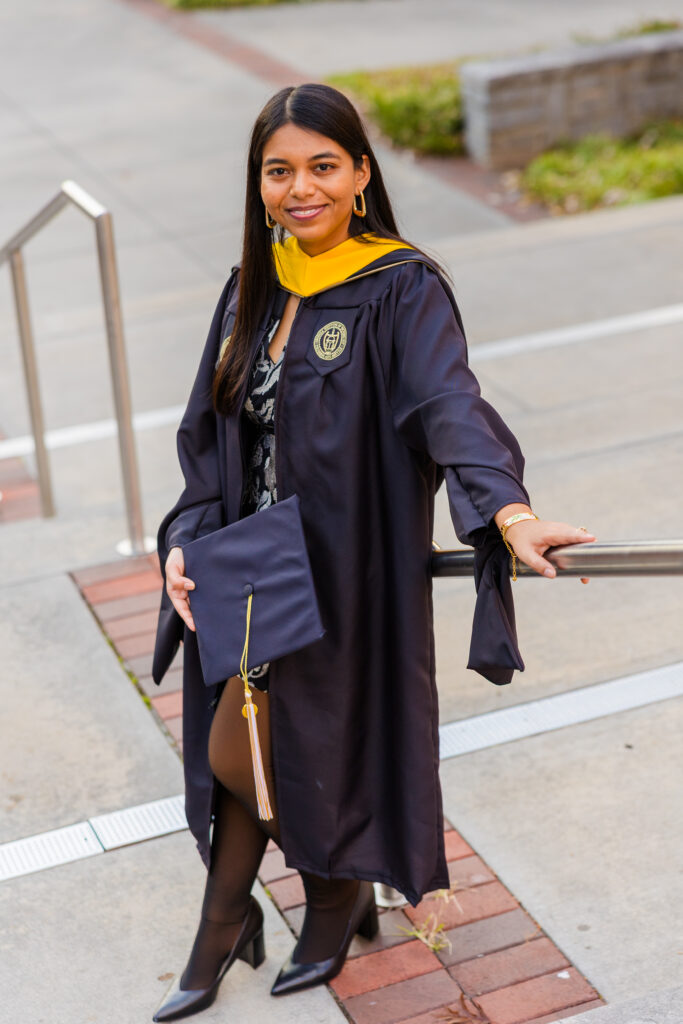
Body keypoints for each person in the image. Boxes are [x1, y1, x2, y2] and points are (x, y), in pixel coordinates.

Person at [150, 82, 595, 1021]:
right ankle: (243, 914)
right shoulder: (251, 285)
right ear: (257, 182)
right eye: (279, 170)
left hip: (341, 564)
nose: (299, 188)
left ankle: (318, 901)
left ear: (360, 175)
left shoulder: (399, 285)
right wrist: (184, 543)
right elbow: (206, 438)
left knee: (320, 742)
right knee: (238, 746)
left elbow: (446, 406)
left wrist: (507, 513)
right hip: (245, 563)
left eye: (322, 166)